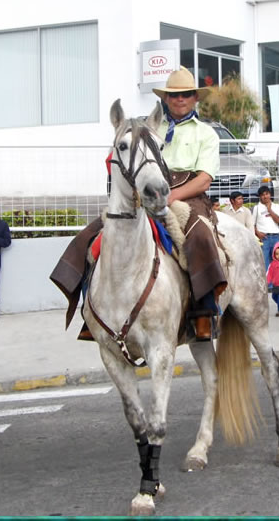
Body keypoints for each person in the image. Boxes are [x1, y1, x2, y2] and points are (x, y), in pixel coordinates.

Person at [50, 66, 222, 341]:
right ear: (166, 98)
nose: (180, 100)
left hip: (188, 196)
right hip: (146, 192)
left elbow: (204, 180)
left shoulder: (206, 134)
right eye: (174, 95)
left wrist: (172, 197)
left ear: (195, 98)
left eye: (186, 94)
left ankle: (203, 313)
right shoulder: (149, 127)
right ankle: (90, 314)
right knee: (89, 240)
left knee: (200, 237)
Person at [252, 185, 279, 273]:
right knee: (265, 263)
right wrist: (258, 233)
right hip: (264, 239)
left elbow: (278, 220)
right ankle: (268, 285)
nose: (265, 196)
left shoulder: (276, 206)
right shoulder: (256, 208)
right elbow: (252, 224)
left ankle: (277, 284)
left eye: (267, 194)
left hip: (276, 237)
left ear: (270, 194)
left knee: (277, 262)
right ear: (260, 197)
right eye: (263, 195)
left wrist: (270, 210)